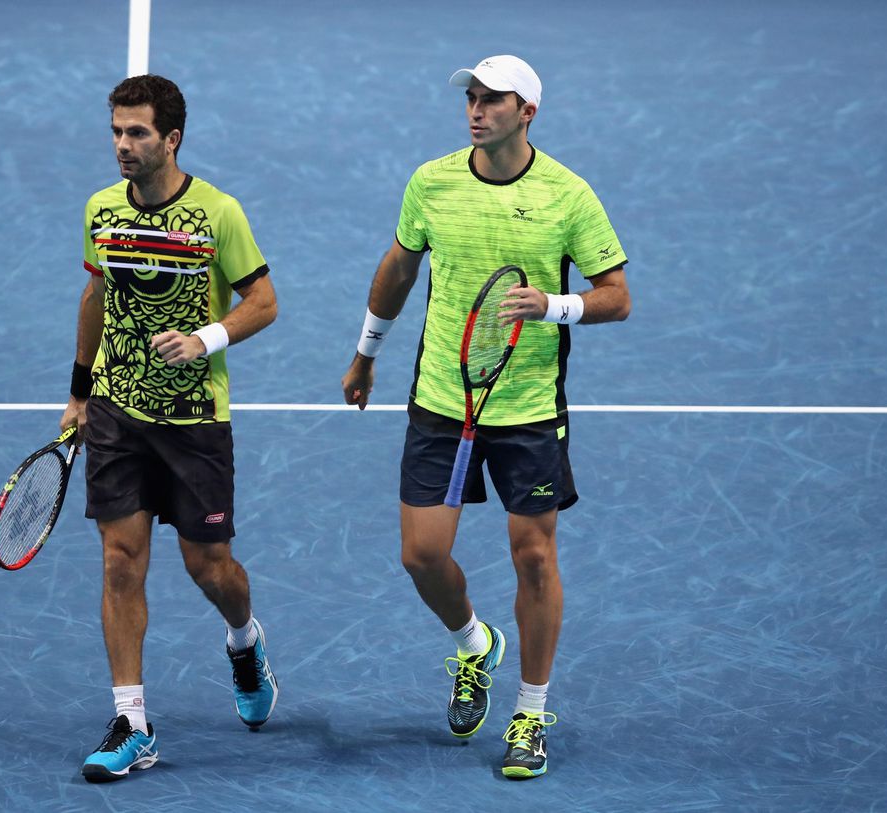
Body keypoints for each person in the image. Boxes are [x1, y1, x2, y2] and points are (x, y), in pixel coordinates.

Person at [341, 55, 630, 779]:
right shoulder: (432, 181)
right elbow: (401, 266)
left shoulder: (567, 195)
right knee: (422, 555)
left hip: (529, 408)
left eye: (492, 99)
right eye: (471, 97)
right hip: (444, 397)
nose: (476, 110)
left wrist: (554, 305)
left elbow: (616, 295)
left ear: (527, 111)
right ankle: (475, 645)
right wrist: (366, 352)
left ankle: (530, 710)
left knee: (534, 555)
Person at [60, 74, 280, 783]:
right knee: (121, 559)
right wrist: (78, 392)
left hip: (194, 422)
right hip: (119, 411)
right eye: (117, 132)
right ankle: (132, 720)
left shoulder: (218, 213)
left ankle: (245, 641)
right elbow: (95, 295)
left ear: (172, 139)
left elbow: (264, 301)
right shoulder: (101, 210)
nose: (123, 145)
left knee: (208, 568)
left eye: (138, 133)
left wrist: (206, 336)